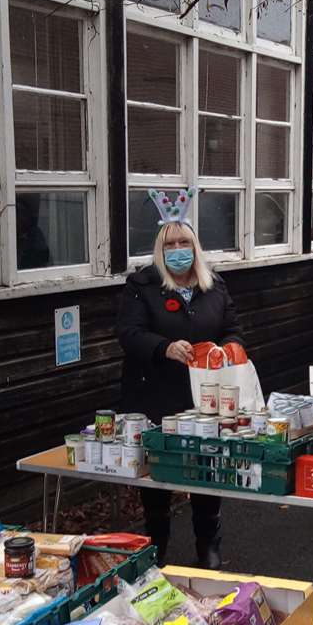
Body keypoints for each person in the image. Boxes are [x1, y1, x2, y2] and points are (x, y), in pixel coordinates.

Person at [117, 218, 244, 569]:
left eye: (183, 243)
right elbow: (129, 333)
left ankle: (209, 547)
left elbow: (232, 328)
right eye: (169, 245)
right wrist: (165, 347)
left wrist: (229, 348)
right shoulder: (142, 285)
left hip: (204, 397)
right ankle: (155, 551)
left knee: (206, 470)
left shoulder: (214, 285)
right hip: (155, 395)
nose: (177, 251)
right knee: (157, 478)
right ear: (160, 251)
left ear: (195, 247)